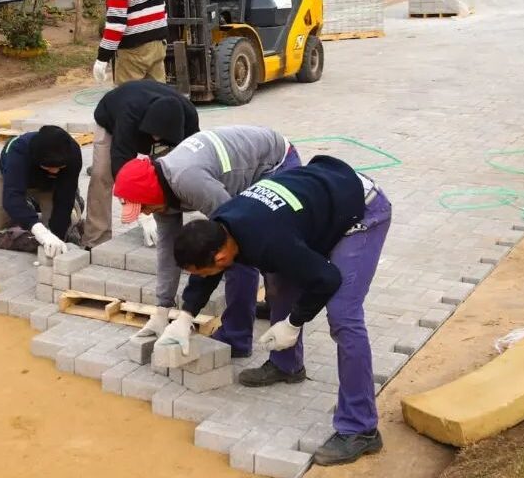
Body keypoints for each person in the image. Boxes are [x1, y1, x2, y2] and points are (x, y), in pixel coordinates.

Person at [165, 157, 393, 467]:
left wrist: (294, 323)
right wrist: (185, 316)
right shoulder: (220, 224)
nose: (204, 276)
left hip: (361, 211)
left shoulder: (267, 241)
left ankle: (361, 428)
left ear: (220, 256)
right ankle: (287, 366)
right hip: (316, 203)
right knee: (280, 282)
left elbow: (327, 278)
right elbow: (208, 273)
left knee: (343, 315)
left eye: (204, 271)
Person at [112, 126, 301, 356]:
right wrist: (162, 310)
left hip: (274, 163)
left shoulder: (189, 181)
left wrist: (187, 314)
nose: (145, 214)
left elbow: (234, 238)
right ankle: (266, 306)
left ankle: (238, 340)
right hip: (236, 176)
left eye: (144, 207)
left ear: (153, 195)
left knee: (241, 255)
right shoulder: (160, 192)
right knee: (236, 249)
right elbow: (170, 252)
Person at [82, 80, 199, 249]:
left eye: (161, 136)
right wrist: (139, 209)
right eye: (154, 134)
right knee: (102, 174)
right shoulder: (129, 114)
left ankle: (167, 222)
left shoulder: (188, 115)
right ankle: (95, 240)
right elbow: (121, 164)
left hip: (151, 120)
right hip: (111, 119)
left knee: (172, 171)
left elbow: (193, 157)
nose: (156, 140)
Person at [0, 125, 82, 258]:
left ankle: (74, 207)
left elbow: (64, 197)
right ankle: (27, 208)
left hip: (50, 186)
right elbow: (12, 198)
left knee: (62, 223)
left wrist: (56, 236)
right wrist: (40, 232)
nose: (55, 171)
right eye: (50, 167)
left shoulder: (72, 151)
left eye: (60, 167)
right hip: (12, 179)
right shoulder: (18, 151)